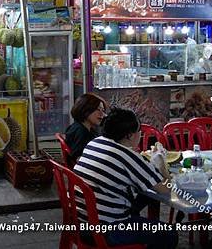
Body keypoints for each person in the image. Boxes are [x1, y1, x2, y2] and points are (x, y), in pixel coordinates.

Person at [73, 108, 177, 249]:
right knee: (168, 233)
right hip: (107, 230)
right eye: (139, 131)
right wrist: (162, 167)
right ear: (129, 135)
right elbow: (166, 189)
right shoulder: (126, 156)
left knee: (147, 195)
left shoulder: (95, 143)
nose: (140, 134)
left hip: (80, 221)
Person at [65, 93, 107, 162]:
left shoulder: (78, 126)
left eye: (103, 110)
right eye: (98, 109)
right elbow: (78, 158)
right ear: (85, 109)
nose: (102, 114)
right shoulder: (81, 131)